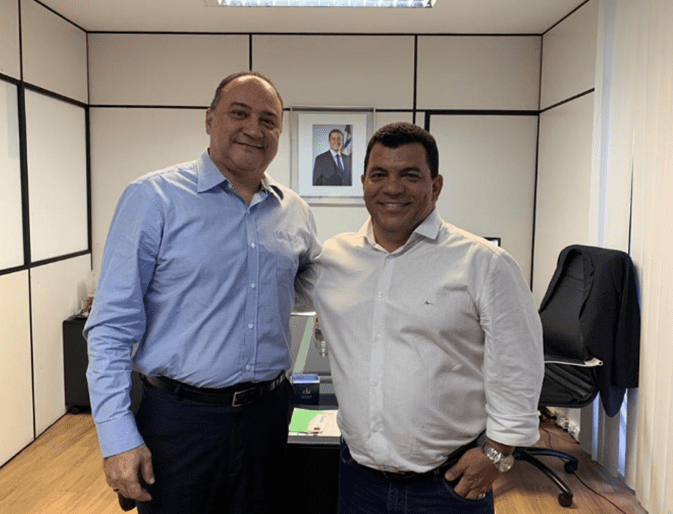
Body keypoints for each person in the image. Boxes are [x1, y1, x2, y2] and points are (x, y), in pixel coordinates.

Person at [84, 71, 320, 514]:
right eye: (239, 113)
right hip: (179, 423)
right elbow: (111, 327)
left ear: (279, 133)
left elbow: (314, 284)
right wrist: (116, 437)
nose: (253, 129)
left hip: (267, 417)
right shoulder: (153, 198)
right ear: (210, 119)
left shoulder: (294, 212)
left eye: (268, 120)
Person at [313, 122, 544, 513]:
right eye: (379, 175)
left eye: (410, 175)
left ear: (435, 186)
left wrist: (498, 453)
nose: (392, 188)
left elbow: (519, 365)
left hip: (448, 486)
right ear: (363, 182)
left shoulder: (484, 264)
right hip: (358, 480)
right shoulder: (333, 259)